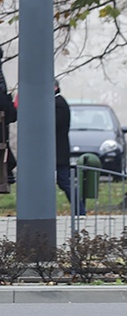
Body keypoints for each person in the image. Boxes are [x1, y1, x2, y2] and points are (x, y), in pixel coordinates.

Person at [55, 80, 85, 215]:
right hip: (57, 151)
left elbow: (53, 125)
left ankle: (80, 210)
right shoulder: (57, 103)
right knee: (64, 181)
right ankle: (80, 209)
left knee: (64, 181)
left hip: (58, 151)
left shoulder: (59, 104)